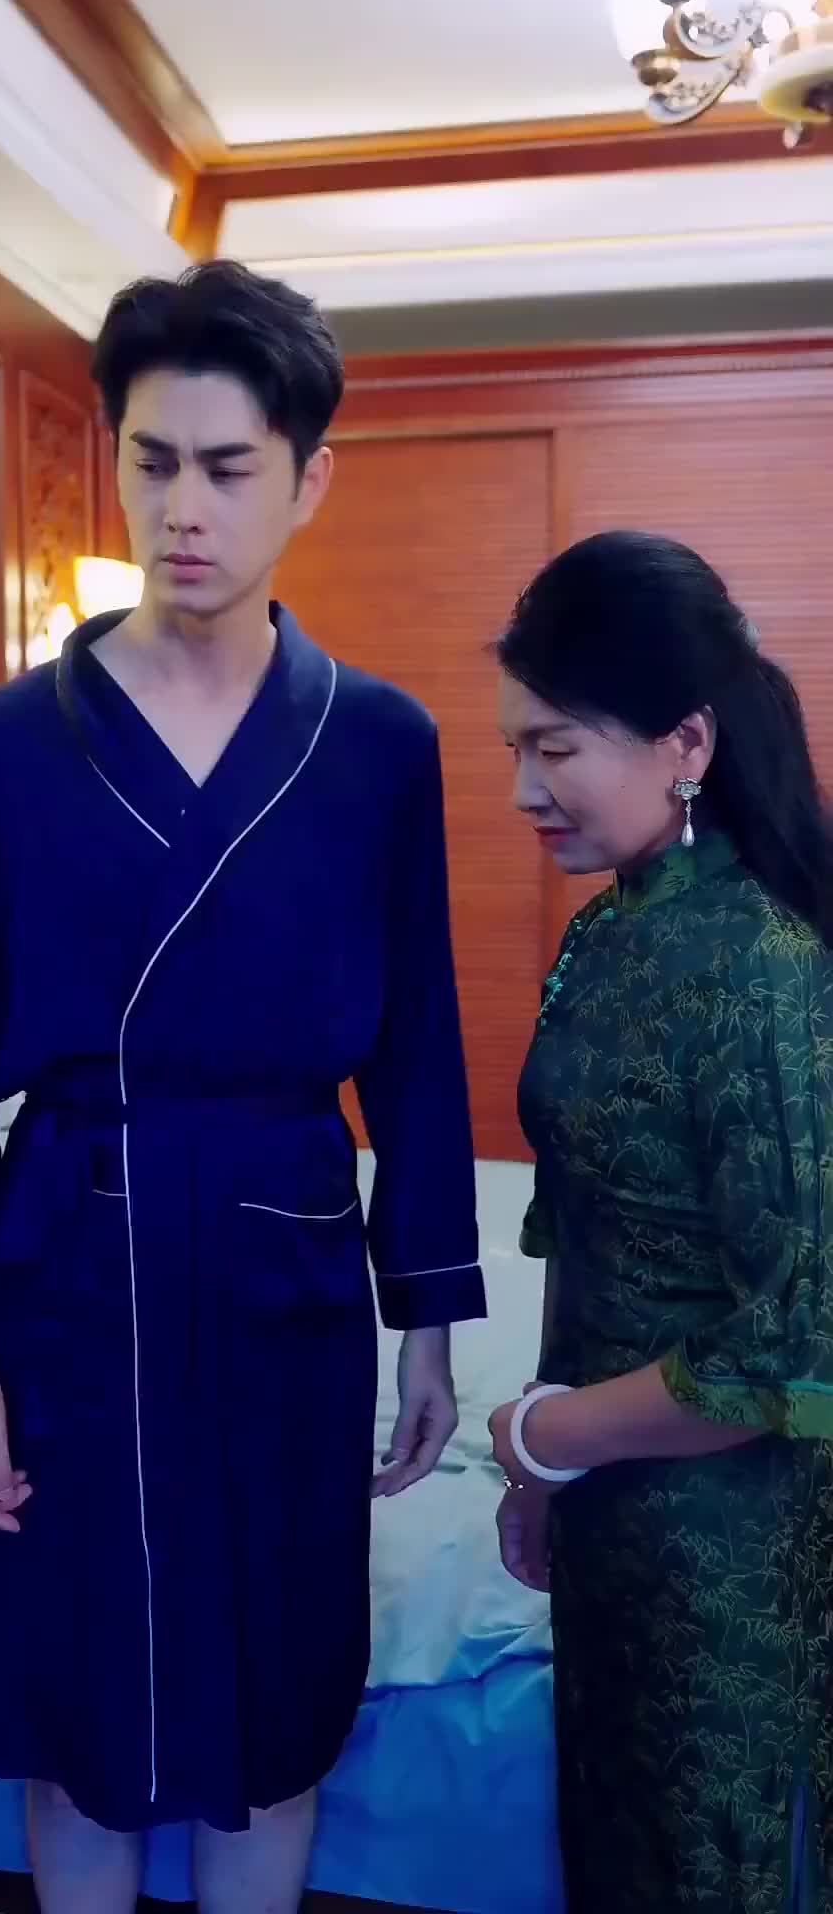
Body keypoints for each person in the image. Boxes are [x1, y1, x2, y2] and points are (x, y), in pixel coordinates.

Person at [0, 259, 484, 1914]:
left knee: (270, 1695)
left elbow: (418, 1046)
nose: (184, 509)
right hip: (67, 1261)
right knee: (75, 1699)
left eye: (227, 468)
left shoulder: (378, 743)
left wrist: (429, 1314)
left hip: (284, 1260)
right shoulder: (5, 744)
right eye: (153, 463)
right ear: (118, 459)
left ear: (309, 480)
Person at [487, 529, 833, 1914]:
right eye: (515, 747)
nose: (523, 788)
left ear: (686, 743)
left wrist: (548, 1434)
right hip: (614, 1524)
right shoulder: (610, 927)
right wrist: (543, 1466)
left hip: (732, 1553)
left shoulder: (765, 971)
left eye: (556, 747)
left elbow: (792, 1351)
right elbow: (584, 1227)